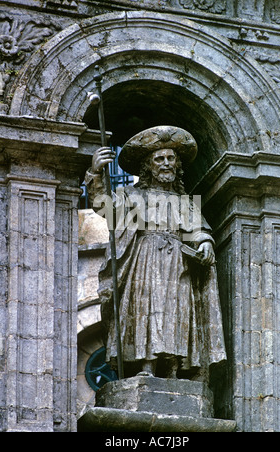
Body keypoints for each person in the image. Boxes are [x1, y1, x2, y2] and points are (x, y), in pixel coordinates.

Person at [85, 126, 226, 380]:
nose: (166, 164)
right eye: (159, 159)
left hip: (178, 265)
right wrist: (95, 172)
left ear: (177, 165)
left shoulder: (184, 201)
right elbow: (103, 207)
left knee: (177, 312)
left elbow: (197, 230)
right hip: (144, 262)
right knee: (145, 311)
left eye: (171, 158)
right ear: (148, 166)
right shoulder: (133, 196)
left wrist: (205, 243)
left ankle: (172, 371)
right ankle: (146, 366)